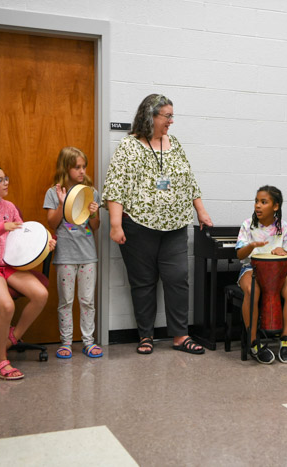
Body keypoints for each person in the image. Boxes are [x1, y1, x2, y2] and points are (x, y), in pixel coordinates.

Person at [102, 94, 212, 356]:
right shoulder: (129, 146)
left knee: (177, 279)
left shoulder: (173, 143)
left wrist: (201, 211)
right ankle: (145, 336)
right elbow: (116, 186)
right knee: (143, 283)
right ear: (150, 116)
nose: (171, 121)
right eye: (167, 116)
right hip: (138, 226)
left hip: (174, 226)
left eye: (172, 116)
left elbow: (189, 180)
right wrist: (115, 225)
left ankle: (180, 336)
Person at [0, 164, 56, 380]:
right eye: (0, 180)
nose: (6, 183)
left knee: (40, 294)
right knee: (6, 306)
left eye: (6, 178)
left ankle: (10, 339)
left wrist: (46, 244)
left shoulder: (9, 206)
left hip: (8, 265)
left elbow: (24, 239)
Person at [44, 147, 102, 359]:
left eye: (83, 166)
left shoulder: (91, 192)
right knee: (66, 301)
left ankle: (88, 341)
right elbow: (51, 223)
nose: (81, 170)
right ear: (65, 167)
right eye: (77, 167)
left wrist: (94, 214)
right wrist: (62, 203)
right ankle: (66, 342)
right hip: (65, 256)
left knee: (87, 301)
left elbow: (94, 226)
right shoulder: (54, 192)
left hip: (88, 256)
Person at [235, 185, 287, 364]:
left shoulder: (284, 227)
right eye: (256, 201)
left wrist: (281, 250)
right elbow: (240, 254)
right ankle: (254, 342)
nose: (258, 206)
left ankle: (285, 339)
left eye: (264, 202)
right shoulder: (248, 225)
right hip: (251, 270)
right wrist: (251, 246)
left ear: (275, 206)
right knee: (252, 291)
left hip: (277, 272)